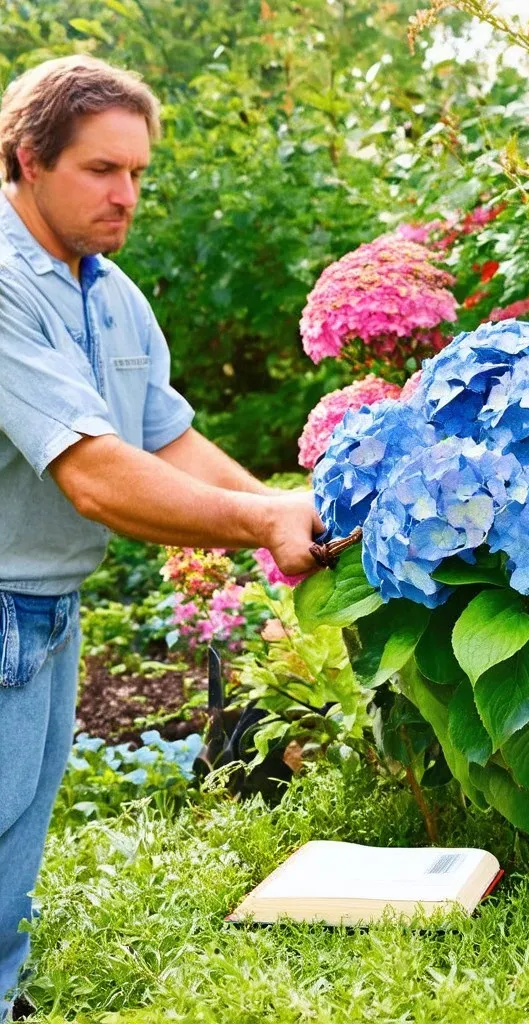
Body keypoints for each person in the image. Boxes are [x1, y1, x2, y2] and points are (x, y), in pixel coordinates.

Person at [0, 56, 324, 1019]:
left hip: (46, 607)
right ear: (26, 160)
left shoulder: (110, 293)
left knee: (14, 848)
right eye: (102, 170)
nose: (126, 194)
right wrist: (261, 520)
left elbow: (164, 438)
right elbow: (98, 476)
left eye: (138, 173)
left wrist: (283, 513)